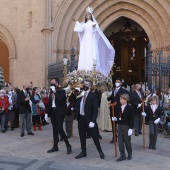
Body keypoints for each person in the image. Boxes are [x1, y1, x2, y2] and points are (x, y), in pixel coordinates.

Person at [73, 6, 115, 76]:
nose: (87, 16)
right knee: (85, 53)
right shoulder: (84, 24)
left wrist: (94, 28)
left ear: (91, 15)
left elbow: (97, 32)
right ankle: (84, 69)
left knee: (91, 53)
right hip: (85, 40)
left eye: (89, 14)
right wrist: (76, 23)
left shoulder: (93, 24)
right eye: (86, 14)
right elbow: (79, 29)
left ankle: (92, 69)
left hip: (91, 40)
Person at [75, 80, 104, 159]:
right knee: (82, 136)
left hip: (89, 119)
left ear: (90, 86)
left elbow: (95, 109)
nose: (84, 85)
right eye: (84, 84)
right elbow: (73, 101)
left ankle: (100, 150)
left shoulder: (93, 95)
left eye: (86, 84)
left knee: (94, 136)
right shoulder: (80, 94)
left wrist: (93, 121)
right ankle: (83, 151)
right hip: (81, 118)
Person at [46, 78, 72, 155]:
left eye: (53, 83)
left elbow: (60, 99)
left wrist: (55, 91)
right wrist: (47, 113)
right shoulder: (51, 92)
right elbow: (50, 102)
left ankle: (68, 145)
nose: (51, 84)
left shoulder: (62, 91)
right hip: (53, 112)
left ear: (57, 83)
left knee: (60, 129)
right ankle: (55, 146)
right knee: (54, 130)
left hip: (60, 112)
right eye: (51, 83)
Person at [112, 93, 134, 161]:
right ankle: (122, 155)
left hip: (126, 126)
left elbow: (131, 119)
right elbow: (118, 116)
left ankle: (129, 154)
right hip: (120, 125)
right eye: (120, 99)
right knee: (120, 141)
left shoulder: (129, 108)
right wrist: (115, 119)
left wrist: (130, 128)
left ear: (126, 99)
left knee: (127, 141)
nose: (120, 100)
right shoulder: (119, 107)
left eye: (121, 99)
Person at [107, 78, 130, 143]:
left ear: (121, 83)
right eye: (116, 81)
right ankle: (114, 137)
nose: (117, 83)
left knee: (121, 123)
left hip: (120, 109)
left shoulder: (123, 90)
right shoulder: (113, 90)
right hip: (113, 109)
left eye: (118, 82)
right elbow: (110, 98)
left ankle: (122, 137)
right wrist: (108, 95)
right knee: (113, 123)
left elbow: (128, 97)